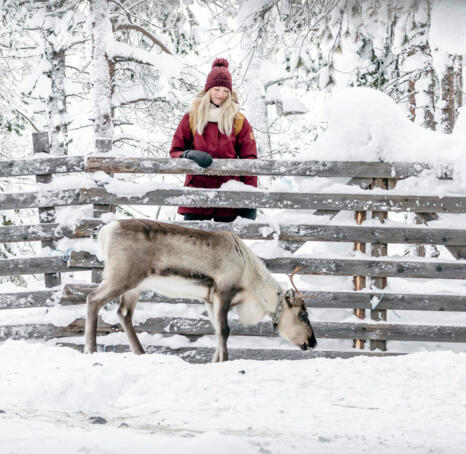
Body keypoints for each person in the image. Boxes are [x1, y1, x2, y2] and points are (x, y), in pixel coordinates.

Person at [170, 58, 257, 222]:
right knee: (193, 243)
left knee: (224, 245)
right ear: (208, 89)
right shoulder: (192, 117)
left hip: (228, 196)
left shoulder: (238, 120)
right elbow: (175, 151)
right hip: (196, 194)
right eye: (216, 89)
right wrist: (188, 154)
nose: (221, 95)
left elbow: (249, 159)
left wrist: (249, 197)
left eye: (225, 91)